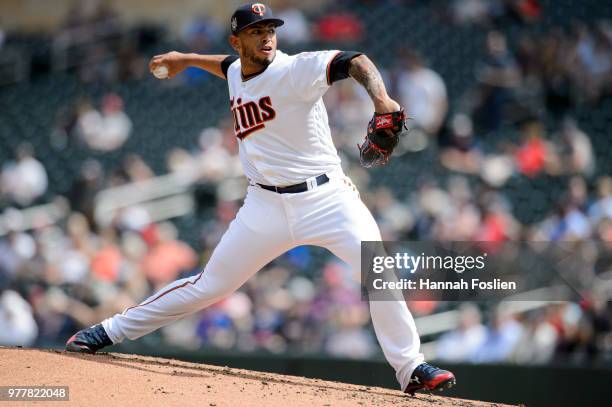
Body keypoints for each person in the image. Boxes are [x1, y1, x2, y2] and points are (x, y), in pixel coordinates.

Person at [65, 3, 455, 395]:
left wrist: (382, 100)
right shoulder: (237, 69)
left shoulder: (294, 69)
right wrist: (185, 59)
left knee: (379, 271)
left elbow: (355, 60)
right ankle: (109, 330)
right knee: (208, 286)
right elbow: (225, 66)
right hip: (264, 206)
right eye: (256, 31)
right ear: (237, 41)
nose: (267, 36)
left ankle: (411, 367)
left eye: (270, 29)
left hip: (327, 199)